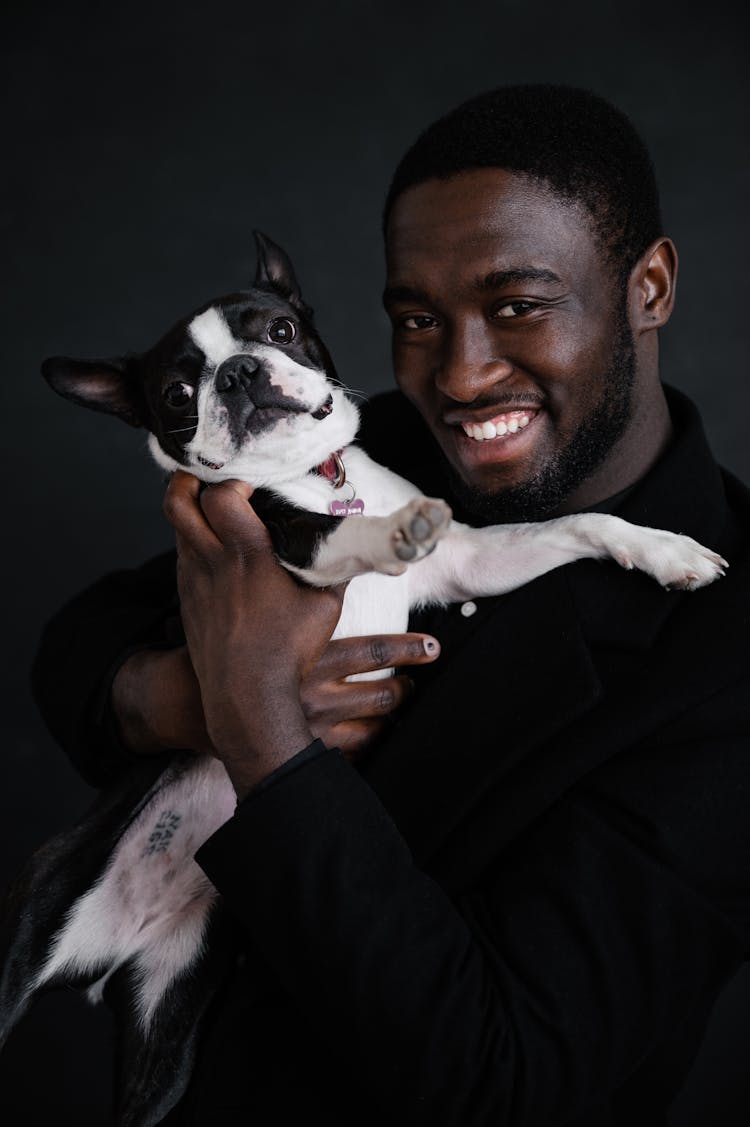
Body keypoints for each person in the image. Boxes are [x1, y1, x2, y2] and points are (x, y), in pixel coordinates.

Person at [32, 86, 750, 1126]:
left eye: (517, 305)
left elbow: (499, 1074)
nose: (457, 374)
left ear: (649, 286)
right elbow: (77, 645)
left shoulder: (730, 652)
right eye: (416, 317)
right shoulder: (367, 441)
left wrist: (264, 729)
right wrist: (181, 695)